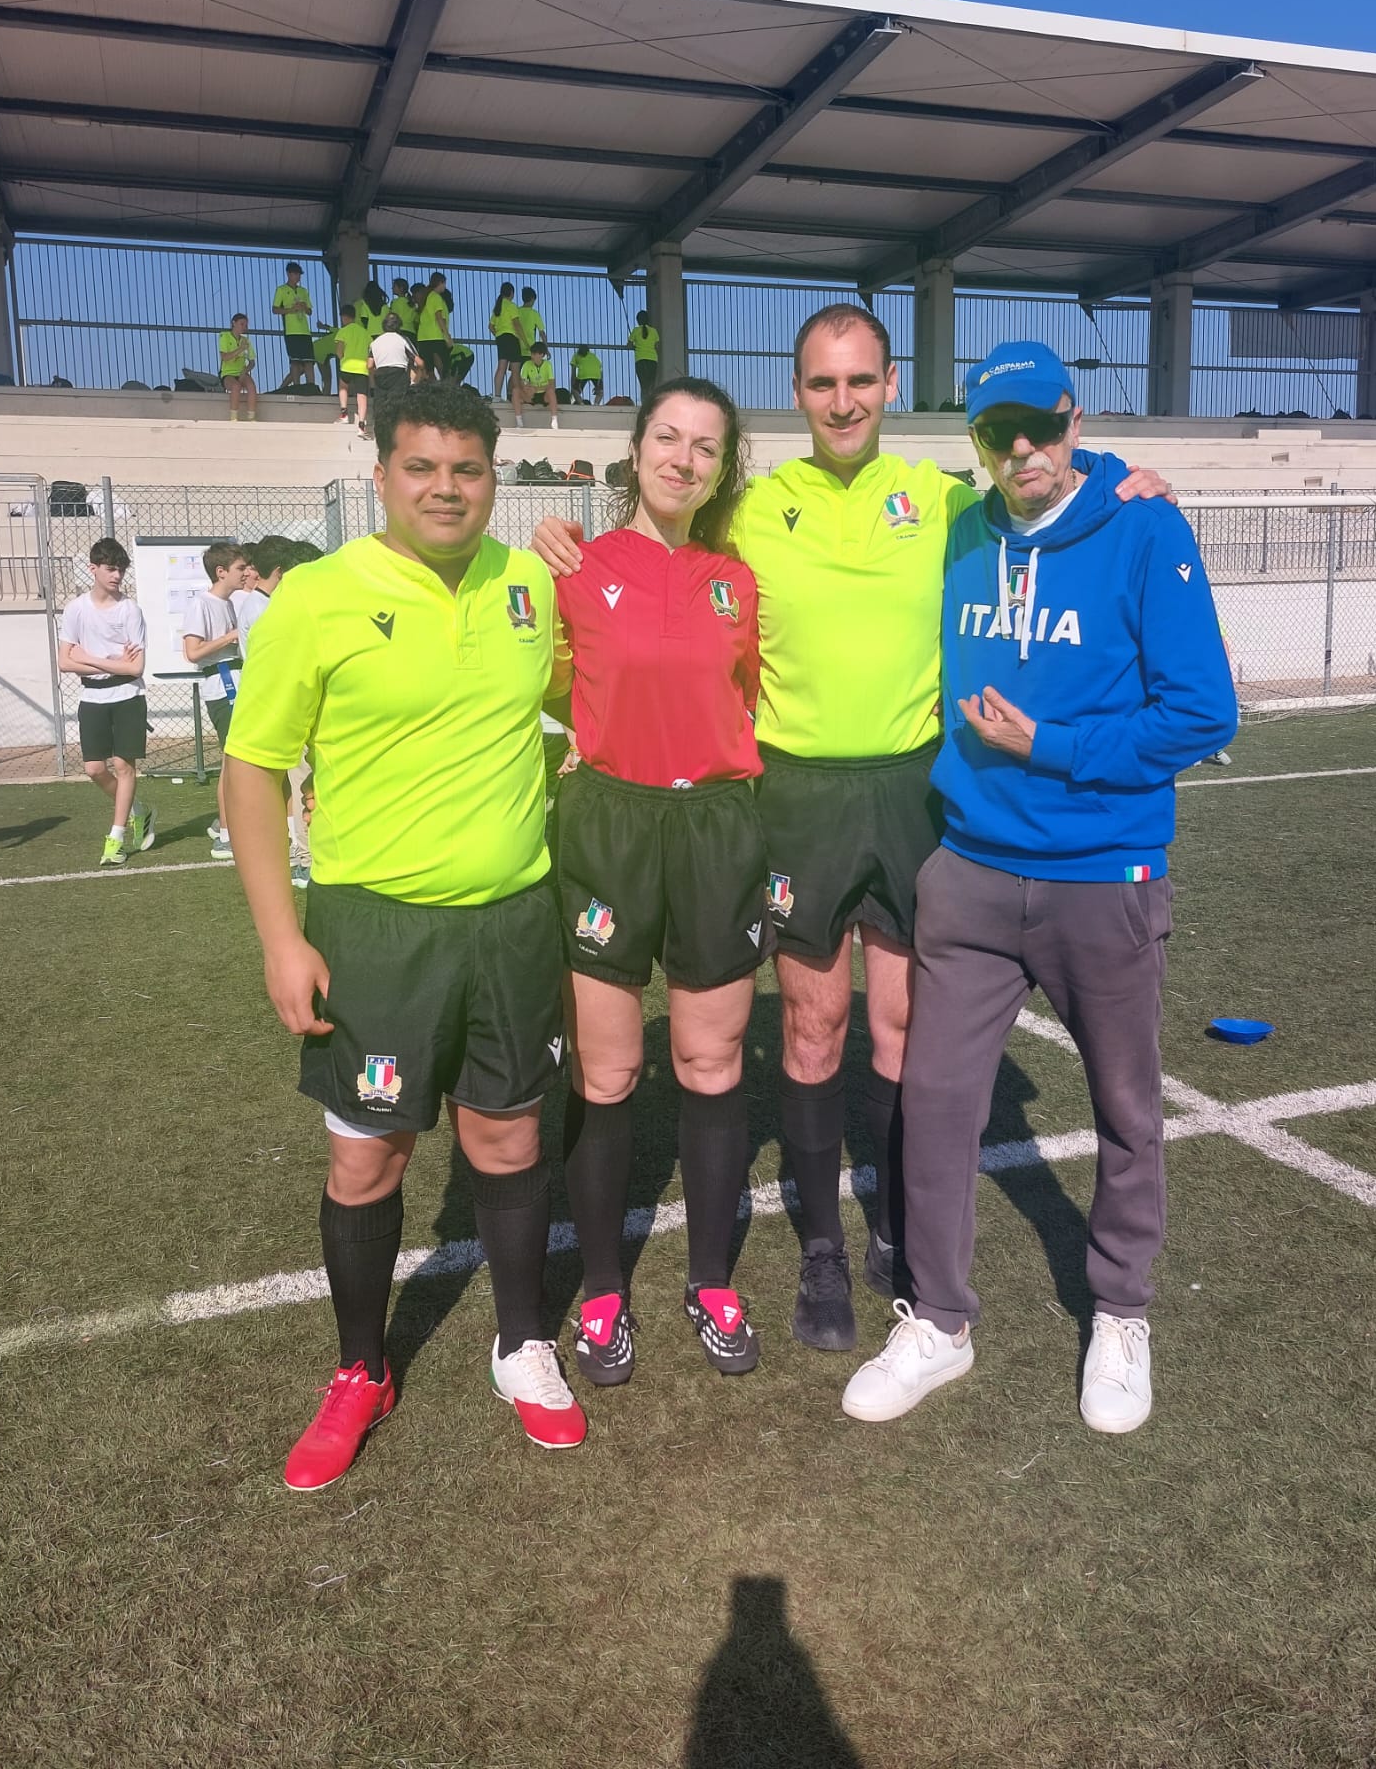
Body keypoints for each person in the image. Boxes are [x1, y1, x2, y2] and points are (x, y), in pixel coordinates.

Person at [532, 306, 1172, 1355]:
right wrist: (557, 535)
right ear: (798, 393)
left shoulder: (942, 495)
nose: (842, 401)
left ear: (888, 386)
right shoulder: (752, 509)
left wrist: (1116, 475)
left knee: (902, 1027)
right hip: (795, 794)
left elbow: (1035, 475)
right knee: (813, 1025)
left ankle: (901, 1233)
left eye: (861, 381)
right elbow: (651, 559)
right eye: (823, 383)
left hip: (913, 788)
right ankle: (822, 1251)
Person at [841, 343, 1236, 1434]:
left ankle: (1121, 1309)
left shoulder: (1143, 526)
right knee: (935, 1102)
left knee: (1125, 1107)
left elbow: (1204, 711)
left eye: (1039, 425)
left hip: (1103, 875)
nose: (1021, 448)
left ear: (1074, 421)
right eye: (995, 431)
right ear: (976, 441)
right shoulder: (963, 529)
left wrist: (1051, 744)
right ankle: (939, 1320)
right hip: (969, 871)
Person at [223, 383, 586, 1488]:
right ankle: (361, 1368)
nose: (445, 488)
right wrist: (281, 939)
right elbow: (253, 768)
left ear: (493, 477)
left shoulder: (529, 585)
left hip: (513, 921)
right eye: (421, 468)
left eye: (467, 469)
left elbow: (584, 691)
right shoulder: (318, 597)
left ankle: (521, 1344)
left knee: (508, 1143)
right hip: (374, 929)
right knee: (366, 1153)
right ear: (381, 475)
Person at [554, 376, 771, 1387]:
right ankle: (603, 1291)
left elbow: (758, 699)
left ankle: (711, 1280)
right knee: (606, 1074)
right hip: (608, 825)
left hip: (717, 828)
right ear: (636, 448)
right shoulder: (573, 565)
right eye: (669, 438)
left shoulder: (742, 580)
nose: (684, 458)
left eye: (706, 446)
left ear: (722, 469)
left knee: (711, 1061)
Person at [56, 537, 154, 865]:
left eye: (121, 570)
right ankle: (138, 810)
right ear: (93, 568)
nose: (117, 576)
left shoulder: (130, 610)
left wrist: (89, 658)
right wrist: (112, 661)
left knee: (124, 767)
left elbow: (135, 668)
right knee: (94, 769)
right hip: (92, 697)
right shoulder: (76, 609)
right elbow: (65, 662)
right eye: (111, 569)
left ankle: (116, 838)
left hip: (128, 695)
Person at [234, 535, 321, 888]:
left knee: (299, 779)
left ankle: (302, 851)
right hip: (284, 705)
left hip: (287, 702)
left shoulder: (267, 605)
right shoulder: (266, 610)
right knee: (299, 779)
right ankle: (304, 856)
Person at [182, 540, 250, 861]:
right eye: (240, 568)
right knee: (230, 762)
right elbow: (192, 652)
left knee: (238, 761)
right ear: (221, 572)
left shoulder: (230, 603)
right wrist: (229, 637)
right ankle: (225, 834)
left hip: (237, 682)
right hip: (223, 687)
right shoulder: (202, 604)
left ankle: (226, 824)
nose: (245, 573)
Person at [272, 262, 316, 390]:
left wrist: (304, 307)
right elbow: (275, 309)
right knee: (295, 361)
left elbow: (310, 311)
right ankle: (297, 387)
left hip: (305, 331)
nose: (298, 277)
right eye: (295, 274)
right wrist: (291, 310)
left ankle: (311, 386)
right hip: (291, 331)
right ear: (288, 274)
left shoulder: (303, 291)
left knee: (309, 360)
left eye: (299, 274)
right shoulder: (281, 290)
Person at [334, 304, 374, 436]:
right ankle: (361, 425)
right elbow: (371, 348)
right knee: (362, 396)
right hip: (362, 368)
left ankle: (344, 414)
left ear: (344, 317)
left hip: (347, 365)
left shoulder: (343, 331)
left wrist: (342, 358)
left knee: (343, 387)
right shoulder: (364, 332)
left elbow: (339, 351)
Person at [369, 311, 419, 414]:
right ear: (399, 325)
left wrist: (373, 384)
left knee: (381, 408)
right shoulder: (403, 339)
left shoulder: (375, 342)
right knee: (398, 407)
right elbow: (419, 362)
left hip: (380, 376)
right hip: (398, 375)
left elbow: (369, 365)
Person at [513, 340, 560, 430]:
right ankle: (519, 422)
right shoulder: (527, 364)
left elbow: (552, 385)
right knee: (516, 391)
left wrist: (536, 388)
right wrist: (527, 387)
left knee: (551, 391)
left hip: (544, 395)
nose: (532, 356)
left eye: (534, 354)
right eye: (532, 354)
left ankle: (554, 420)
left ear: (542, 355)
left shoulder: (548, 365)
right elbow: (523, 382)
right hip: (531, 395)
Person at [218, 313, 257, 422]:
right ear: (233, 323)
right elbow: (224, 357)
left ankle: (252, 417)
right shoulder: (224, 336)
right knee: (236, 386)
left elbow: (252, 362)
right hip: (228, 373)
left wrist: (245, 371)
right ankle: (234, 417)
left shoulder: (246, 340)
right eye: (242, 324)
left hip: (241, 372)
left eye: (246, 325)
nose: (244, 327)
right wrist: (240, 349)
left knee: (251, 386)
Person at [416, 271, 454, 379]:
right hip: (436, 336)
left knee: (429, 368)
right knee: (446, 366)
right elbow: (439, 317)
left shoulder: (426, 297)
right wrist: (447, 336)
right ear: (440, 283)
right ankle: (445, 386)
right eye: (444, 283)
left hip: (423, 337)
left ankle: (433, 385)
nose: (445, 286)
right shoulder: (436, 297)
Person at [490, 281, 520, 399]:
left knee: (501, 368)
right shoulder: (512, 306)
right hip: (511, 338)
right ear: (511, 293)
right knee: (515, 370)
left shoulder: (497, 307)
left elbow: (490, 326)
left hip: (501, 338)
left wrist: (498, 335)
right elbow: (516, 324)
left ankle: (497, 396)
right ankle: (517, 396)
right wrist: (524, 341)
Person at [628, 310, 660, 404]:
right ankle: (652, 403)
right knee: (651, 384)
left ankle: (644, 403)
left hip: (640, 360)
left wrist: (635, 346)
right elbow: (657, 346)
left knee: (643, 385)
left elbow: (629, 345)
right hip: (652, 360)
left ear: (638, 320)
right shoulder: (654, 331)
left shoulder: (635, 330)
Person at [514, 286, 547, 363]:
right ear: (532, 299)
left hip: (516, 348)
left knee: (515, 370)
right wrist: (545, 348)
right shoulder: (534, 314)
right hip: (530, 350)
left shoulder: (516, 311)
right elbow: (542, 333)